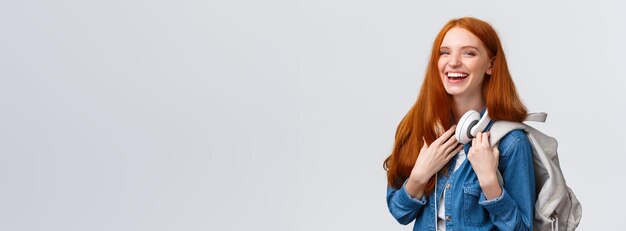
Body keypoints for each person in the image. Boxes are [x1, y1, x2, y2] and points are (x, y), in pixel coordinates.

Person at [383, 17, 535, 230]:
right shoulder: (417, 127)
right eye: (445, 52)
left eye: (468, 53)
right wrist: (419, 176)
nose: (453, 62)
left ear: (490, 65)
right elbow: (400, 212)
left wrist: (490, 183)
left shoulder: (511, 143)